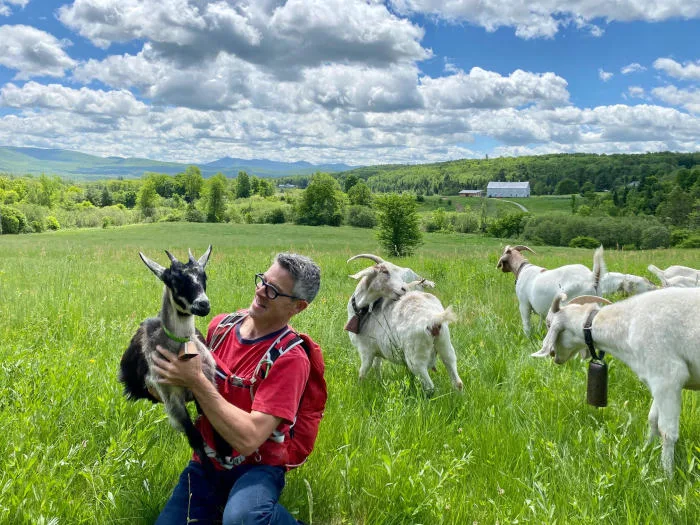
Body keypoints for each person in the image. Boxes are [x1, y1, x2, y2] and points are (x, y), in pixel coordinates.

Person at [152, 252, 322, 524]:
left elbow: (249, 439)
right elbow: (189, 384)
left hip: (258, 468)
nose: (261, 291)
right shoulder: (220, 326)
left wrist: (195, 380)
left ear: (298, 307)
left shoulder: (290, 359)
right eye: (262, 281)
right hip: (207, 461)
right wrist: (164, 380)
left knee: (243, 518)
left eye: (274, 291)